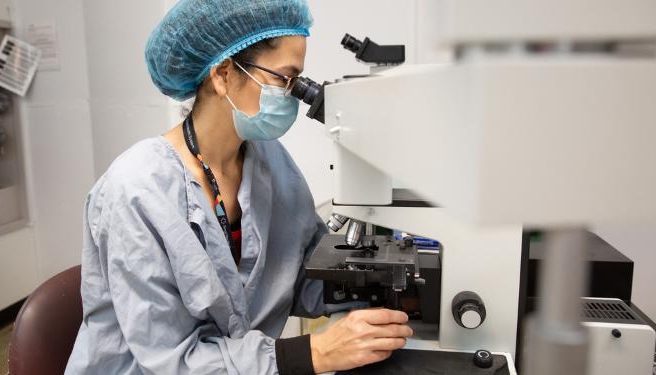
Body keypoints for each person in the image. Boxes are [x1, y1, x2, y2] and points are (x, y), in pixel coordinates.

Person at [64, 0, 412, 374]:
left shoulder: (269, 161)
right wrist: (318, 352)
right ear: (223, 73)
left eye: (298, 82)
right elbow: (169, 360)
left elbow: (302, 275)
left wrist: (373, 294)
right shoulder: (135, 190)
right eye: (284, 79)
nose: (294, 95)